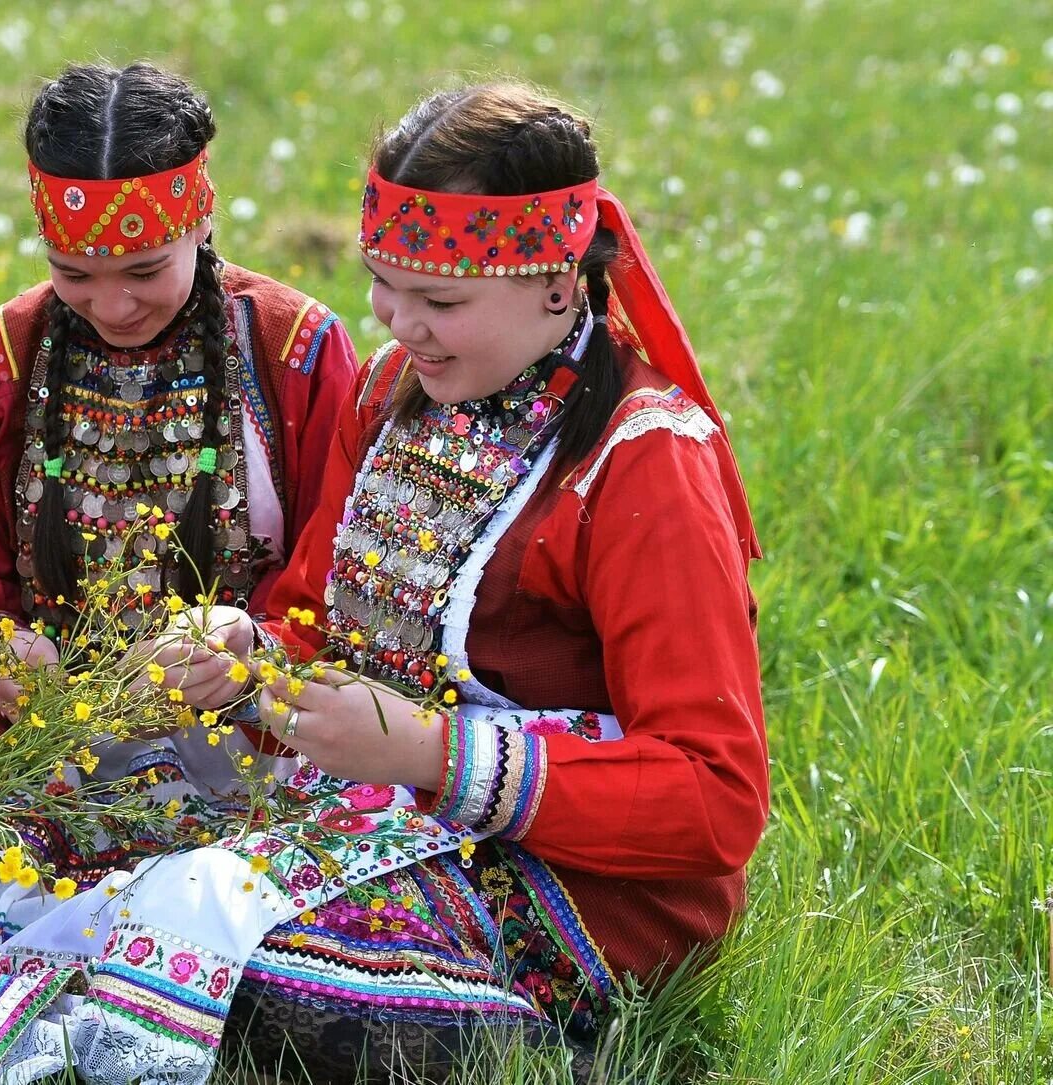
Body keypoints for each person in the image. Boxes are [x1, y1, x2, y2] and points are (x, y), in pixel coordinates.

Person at [155, 82, 769, 1079]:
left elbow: (715, 796)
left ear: (558, 284)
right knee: (113, 861)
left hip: (583, 876)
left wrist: (436, 752)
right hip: (391, 796)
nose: (400, 323)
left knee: (254, 979)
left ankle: (529, 1030)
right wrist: (251, 654)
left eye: (440, 300)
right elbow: (316, 618)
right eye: (382, 285)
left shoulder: (646, 460)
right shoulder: (396, 387)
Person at [0, 62, 358, 786]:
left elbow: (342, 579)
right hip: (57, 764)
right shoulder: (2, 356)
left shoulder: (292, 348)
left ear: (202, 219)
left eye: (144, 271)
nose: (112, 307)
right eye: (72, 273)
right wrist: (0, 647)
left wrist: (248, 644)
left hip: (271, 758)